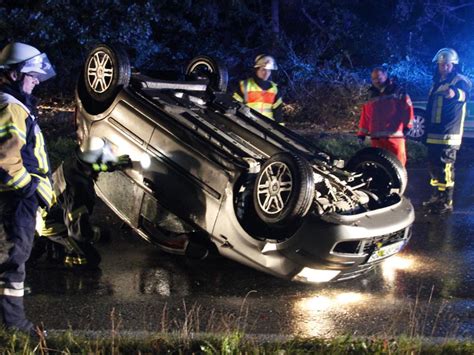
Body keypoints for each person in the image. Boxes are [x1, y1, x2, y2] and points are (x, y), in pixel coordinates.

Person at [0, 42, 56, 335]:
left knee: (11, 259)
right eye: (31, 75)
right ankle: (16, 327)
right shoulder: (10, 106)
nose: (35, 81)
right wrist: (29, 190)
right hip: (14, 200)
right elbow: (8, 160)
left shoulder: (11, 104)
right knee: (12, 262)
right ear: (12, 74)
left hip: (14, 198)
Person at [33, 136, 132, 268]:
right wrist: (99, 235)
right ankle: (55, 250)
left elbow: (92, 164)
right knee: (90, 260)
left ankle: (49, 244)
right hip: (51, 223)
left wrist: (111, 164)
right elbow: (77, 232)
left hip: (45, 210)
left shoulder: (74, 163)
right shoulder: (78, 190)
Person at [422, 48, 471, 214]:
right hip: (434, 132)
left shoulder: (459, 80)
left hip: (449, 133)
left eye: (447, 64)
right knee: (433, 167)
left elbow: (465, 95)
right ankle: (436, 197)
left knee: (446, 168)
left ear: (454, 65)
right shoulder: (436, 82)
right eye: (441, 64)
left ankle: (447, 201)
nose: (444, 67)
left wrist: (454, 93)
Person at [357, 67, 414, 166]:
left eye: (379, 77)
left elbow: (408, 109)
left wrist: (407, 127)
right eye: (374, 79)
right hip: (377, 139)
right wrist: (361, 134)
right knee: (379, 166)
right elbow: (365, 116)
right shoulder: (370, 95)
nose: (376, 81)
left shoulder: (398, 91)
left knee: (398, 166)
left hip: (394, 137)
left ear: (385, 75)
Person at [233, 54, 284, 123]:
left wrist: (280, 131)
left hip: (267, 127)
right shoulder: (245, 85)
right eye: (263, 70)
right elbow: (234, 105)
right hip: (247, 124)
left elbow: (278, 114)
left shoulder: (274, 89)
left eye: (269, 70)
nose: (266, 73)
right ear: (257, 69)